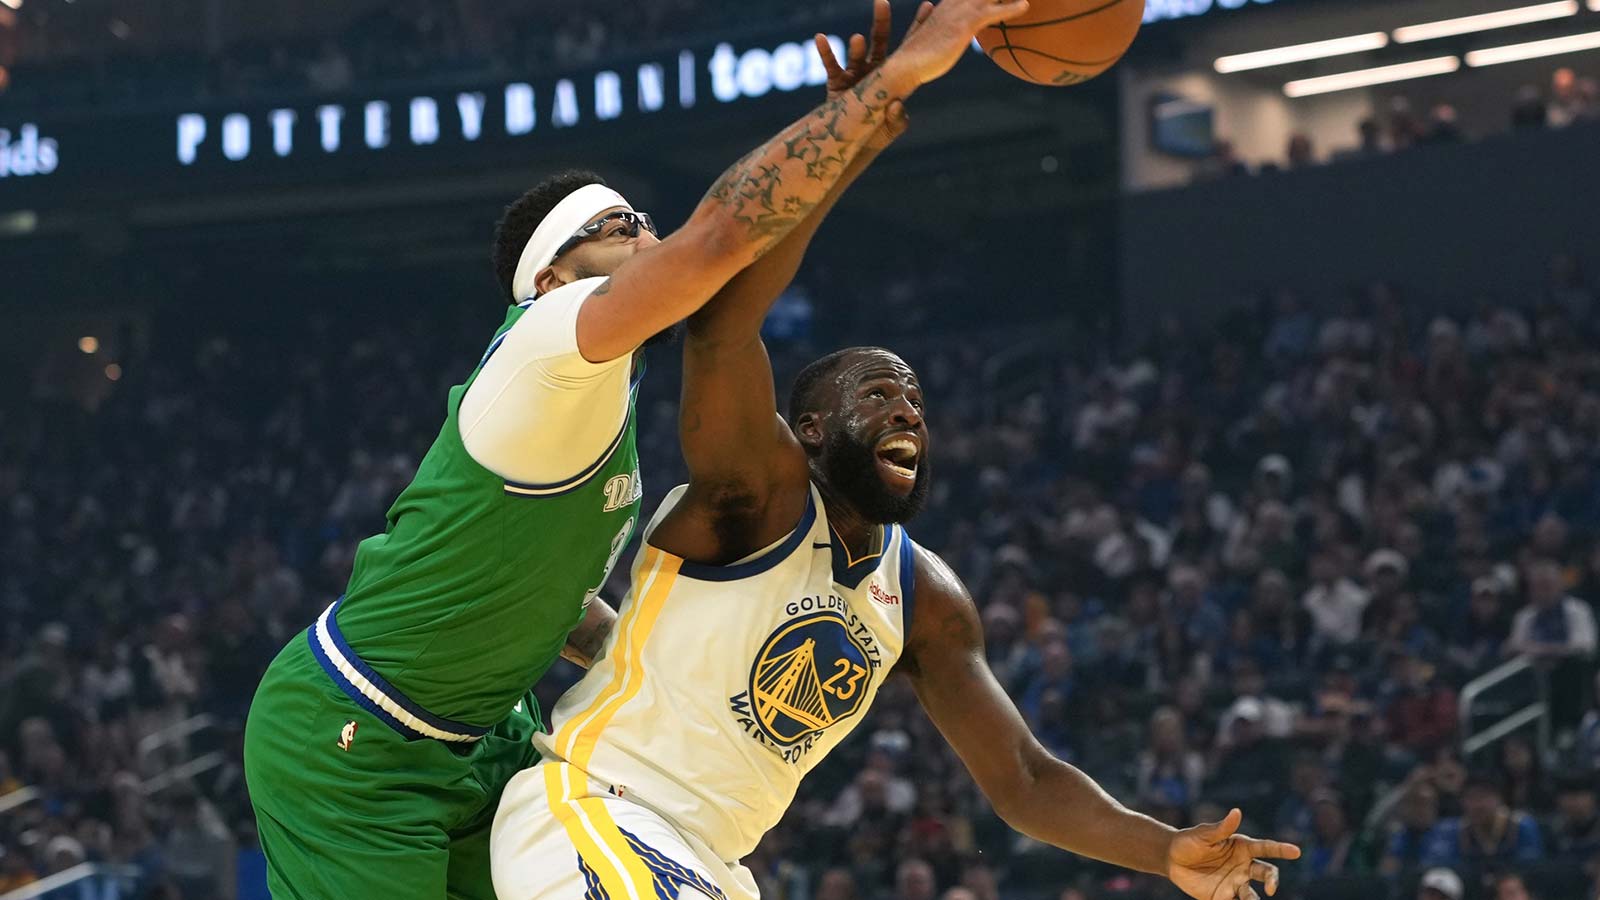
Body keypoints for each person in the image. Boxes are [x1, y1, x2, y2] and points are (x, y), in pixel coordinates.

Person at [489, 13, 1300, 899]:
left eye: (914, 400)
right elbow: (723, 322)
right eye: (875, 395)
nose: (905, 410)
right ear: (806, 432)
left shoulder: (924, 598)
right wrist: (858, 123)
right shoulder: (755, 494)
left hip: (711, 864)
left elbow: (1024, 781)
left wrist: (1160, 849)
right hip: (603, 810)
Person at [240, 0, 964, 895]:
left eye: (646, 221)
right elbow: (722, 239)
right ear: (550, 278)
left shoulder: (605, 406)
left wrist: (656, 661)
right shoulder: (548, 340)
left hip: (484, 730)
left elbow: (554, 599)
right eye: (620, 227)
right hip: (357, 738)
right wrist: (880, 94)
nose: (648, 237)